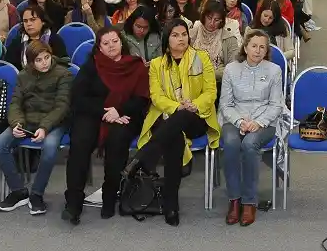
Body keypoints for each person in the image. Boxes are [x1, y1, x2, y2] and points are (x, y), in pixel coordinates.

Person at [127, 21, 220, 226]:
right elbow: (156, 97)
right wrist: (177, 107)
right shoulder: (157, 64)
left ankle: (144, 157)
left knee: (183, 119)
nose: (181, 39)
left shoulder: (201, 58)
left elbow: (211, 92)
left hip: (198, 117)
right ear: (167, 41)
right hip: (167, 117)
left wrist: (193, 105)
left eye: (184, 34)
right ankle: (171, 205)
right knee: (174, 140)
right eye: (175, 35)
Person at [62, 25, 150, 223]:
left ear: (122, 43)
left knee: (117, 139)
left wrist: (119, 111)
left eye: (115, 41)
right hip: (95, 113)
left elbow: (142, 99)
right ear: (99, 47)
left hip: (127, 114)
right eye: (106, 43)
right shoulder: (92, 65)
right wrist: (105, 112)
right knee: (80, 142)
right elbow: (78, 98)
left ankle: (110, 195)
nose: (111, 46)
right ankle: (74, 201)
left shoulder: (135, 65)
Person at [0, 40, 73, 216]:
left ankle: (36, 194)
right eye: (39, 60)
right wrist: (17, 124)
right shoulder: (23, 75)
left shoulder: (64, 74)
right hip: (27, 120)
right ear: (31, 62)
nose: (44, 62)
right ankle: (18, 191)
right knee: (0, 145)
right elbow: (15, 104)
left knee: (50, 149)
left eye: (46, 57)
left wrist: (45, 127)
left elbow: (62, 106)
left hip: (55, 122)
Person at [219, 28, 285, 226]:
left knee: (249, 144)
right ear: (245, 47)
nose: (257, 50)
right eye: (254, 46)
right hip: (234, 118)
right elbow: (225, 104)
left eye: (262, 47)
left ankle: (249, 202)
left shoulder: (274, 71)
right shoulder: (231, 69)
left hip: (264, 121)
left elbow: (276, 105)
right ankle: (234, 200)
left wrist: (258, 123)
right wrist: (240, 122)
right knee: (230, 143)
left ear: (266, 51)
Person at [5, 5, 67, 70]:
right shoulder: (17, 42)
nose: (28, 24)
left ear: (43, 22)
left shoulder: (54, 39)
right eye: (25, 21)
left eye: (32, 20)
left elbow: (63, 64)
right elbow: (10, 68)